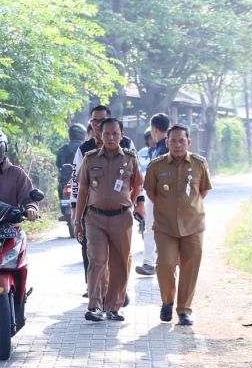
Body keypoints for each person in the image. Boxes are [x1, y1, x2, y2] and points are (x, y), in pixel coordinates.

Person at [74, 117, 144, 322]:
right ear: (100, 135)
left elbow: (137, 185)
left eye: (115, 133)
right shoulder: (90, 158)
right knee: (97, 260)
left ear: (122, 135)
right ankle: (95, 305)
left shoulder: (130, 159)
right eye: (107, 134)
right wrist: (77, 221)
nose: (111, 137)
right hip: (95, 218)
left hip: (122, 219)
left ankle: (114, 307)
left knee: (120, 262)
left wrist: (126, 204)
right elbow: (83, 191)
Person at [144, 124, 211, 326]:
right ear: (167, 143)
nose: (177, 144)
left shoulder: (199, 164)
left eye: (182, 140)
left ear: (188, 142)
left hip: (193, 225)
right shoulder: (156, 166)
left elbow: (203, 191)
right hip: (165, 226)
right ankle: (167, 301)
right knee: (165, 263)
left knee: (190, 267)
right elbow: (151, 193)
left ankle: (184, 310)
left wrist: (187, 208)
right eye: (173, 141)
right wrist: (169, 208)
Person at [70, 105, 135, 296]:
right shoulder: (85, 150)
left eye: (101, 121)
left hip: (120, 211)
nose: (97, 125)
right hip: (93, 211)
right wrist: (76, 213)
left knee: (120, 254)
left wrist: (133, 203)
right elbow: (77, 184)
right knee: (93, 253)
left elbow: (138, 179)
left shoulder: (127, 144)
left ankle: (118, 291)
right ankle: (95, 290)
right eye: (94, 121)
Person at [135, 113, 170, 276]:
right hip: (163, 195)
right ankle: (157, 261)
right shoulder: (164, 147)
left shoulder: (162, 149)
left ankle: (151, 262)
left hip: (157, 195)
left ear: (154, 129)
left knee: (151, 229)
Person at [55, 123, 85, 200]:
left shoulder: (62, 149)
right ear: (82, 134)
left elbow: (58, 164)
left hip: (65, 182)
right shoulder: (86, 148)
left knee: (61, 188)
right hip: (82, 182)